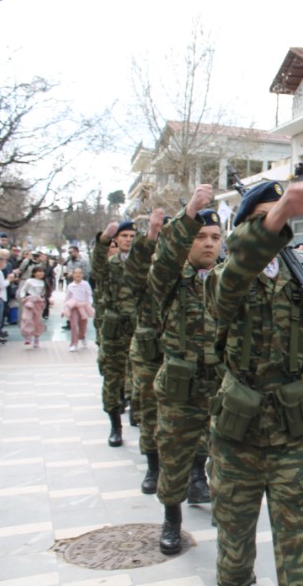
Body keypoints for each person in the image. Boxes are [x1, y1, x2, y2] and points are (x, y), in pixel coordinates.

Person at [205, 179, 303, 586]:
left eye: (281, 218)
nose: (278, 226)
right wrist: (278, 217)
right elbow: (235, 278)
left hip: (290, 434)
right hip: (237, 436)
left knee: (299, 545)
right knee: (234, 551)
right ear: (246, 228)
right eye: (265, 219)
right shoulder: (224, 277)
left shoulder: (300, 280)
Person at [148, 186, 223, 556]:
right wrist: (190, 212)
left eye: (215, 237)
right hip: (181, 386)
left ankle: (225, 517)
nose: (208, 243)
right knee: (174, 453)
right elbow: (165, 256)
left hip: (221, 386)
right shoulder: (170, 279)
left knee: (222, 454)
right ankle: (171, 519)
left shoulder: (229, 280)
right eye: (200, 236)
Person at [124, 209, 166, 490]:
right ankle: (153, 467)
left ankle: (197, 475)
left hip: (186, 354)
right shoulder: (146, 275)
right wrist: (151, 233)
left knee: (196, 415)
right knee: (150, 412)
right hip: (151, 355)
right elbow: (135, 266)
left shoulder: (192, 271)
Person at [92, 220, 138, 447]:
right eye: (124, 236)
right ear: (116, 240)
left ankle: (137, 412)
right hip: (114, 332)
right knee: (112, 379)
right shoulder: (109, 265)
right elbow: (97, 264)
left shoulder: (143, 264)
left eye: (132, 236)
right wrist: (102, 241)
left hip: (139, 331)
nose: (128, 240)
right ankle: (115, 427)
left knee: (140, 377)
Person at [62, 268, 94, 351]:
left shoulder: (85, 284)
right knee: (73, 325)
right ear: (73, 275)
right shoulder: (70, 286)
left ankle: (82, 336)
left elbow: (89, 294)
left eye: (79, 273)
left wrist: (89, 304)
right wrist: (64, 309)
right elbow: (67, 298)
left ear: (82, 275)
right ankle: (74, 343)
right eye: (76, 273)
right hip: (74, 307)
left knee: (83, 325)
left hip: (83, 306)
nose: (78, 275)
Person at [17, 265, 47, 348]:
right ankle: (27, 335)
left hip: (39, 302)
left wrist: (45, 299)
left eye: (42, 272)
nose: (41, 273)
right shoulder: (29, 281)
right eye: (39, 271)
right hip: (29, 302)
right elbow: (23, 290)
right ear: (34, 273)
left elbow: (45, 293)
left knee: (37, 320)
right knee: (27, 318)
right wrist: (22, 297)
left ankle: (36, 337)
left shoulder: (44, 282)